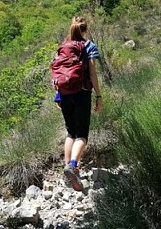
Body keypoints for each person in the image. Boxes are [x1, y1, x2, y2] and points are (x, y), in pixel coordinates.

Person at [56, 16, 102, 191]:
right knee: (82, 135)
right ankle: (73, 166)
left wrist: (58, 95)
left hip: (65, 94)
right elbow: (92, 73)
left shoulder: (62, 46)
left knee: (70, 133)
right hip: (82, 93)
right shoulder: (88, 45)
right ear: (85, 30)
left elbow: (59, 72)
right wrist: (98, 95)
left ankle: (68, 170)